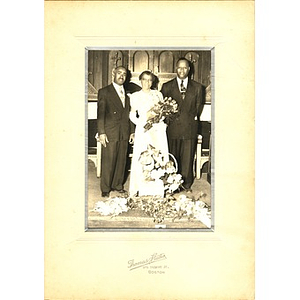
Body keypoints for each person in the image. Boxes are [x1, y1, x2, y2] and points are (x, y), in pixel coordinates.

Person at [160, 58, 205, 192]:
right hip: (172, 128)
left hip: (189, 128)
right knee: (172, 156)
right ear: (176, 68)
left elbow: (198, 107)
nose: (182, 70)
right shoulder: (167, 86)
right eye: (179, 67)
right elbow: (162, 108)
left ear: (189, 69)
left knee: (187, 157)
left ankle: (186, 184)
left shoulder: (198, 87)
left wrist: (188, 119)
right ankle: (172, 184)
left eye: (185, 68)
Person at [129, 70, 168, 197]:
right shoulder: (135, 96)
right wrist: (143, 121)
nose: (147, 82)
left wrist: (159, 120)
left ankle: (157, 188)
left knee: (158, 155)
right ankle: (140, 187)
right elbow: (132, 114)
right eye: (144, 79)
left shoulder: (158, 95)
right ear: (140, 81)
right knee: (143, 155)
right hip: (143, 129)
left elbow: (162, 113)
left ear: (153, 82)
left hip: (157, 129)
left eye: (150, 80)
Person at [97, 66, 135, 197]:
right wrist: (101, 132)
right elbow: (101, 114)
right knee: (109, 160)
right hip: (110, 131)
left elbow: (130, 114)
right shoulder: (105, 92)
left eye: (124, 74)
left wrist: (132, 131)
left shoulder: (129, 94)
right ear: (113, 73)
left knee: (121, 160)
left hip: (124, 131)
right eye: (119, 73)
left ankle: (118, 185)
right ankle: (106, 188)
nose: (121, 76)